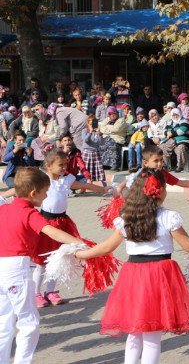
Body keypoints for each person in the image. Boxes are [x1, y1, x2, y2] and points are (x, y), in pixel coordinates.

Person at [74, 169, 189, 364]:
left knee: (135, 332)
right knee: (152, 335)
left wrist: (79, 254)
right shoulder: (169, 217)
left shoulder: (126, 218)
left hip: (133, 275)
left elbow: (106, 247)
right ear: (160, 191)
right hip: (159, 275)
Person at [0, 167, 83, 364]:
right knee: (28, 323)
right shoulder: (29, 213)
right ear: (33, 193)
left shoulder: (4, 208)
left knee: (4, 322)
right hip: (16, 270)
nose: (47, 196)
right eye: (46, 192)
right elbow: (51, 232)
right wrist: (78, 243)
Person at [30, 150, 110, 307]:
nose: (64, 167)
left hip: (63, 223)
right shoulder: (43, 180)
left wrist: (104, 189)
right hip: (46, 224)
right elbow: (25, 191)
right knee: (41, 262)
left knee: (59, 257)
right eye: (60, 164)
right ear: (48, 166)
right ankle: (36, 293)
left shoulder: (66, 181)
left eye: (66, 164)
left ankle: (50, 292)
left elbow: (84, 185)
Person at [118, 145, 189, 195]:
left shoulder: (163, 173)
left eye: (161, 160)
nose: (160, 164)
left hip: (155, 210)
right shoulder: (141, 174)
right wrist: (119, 191)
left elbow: (181, 183)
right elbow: (124, 184)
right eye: (156, 161)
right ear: (145, 163)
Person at [159, 108, 189, 173]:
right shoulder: (170, 122)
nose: (175, 116)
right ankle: (165, 165)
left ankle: (180, 166)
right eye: (173, 115)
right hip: (171, 141)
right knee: (160, 147)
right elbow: (164, 131)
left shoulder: (184, 121)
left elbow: (182, 130)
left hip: (183, 140)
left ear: (179, 114)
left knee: (180, 148)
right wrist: (167, 133)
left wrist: (171, 133)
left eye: (176, 115)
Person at [99, 106, 128, 172]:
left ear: (116, 113)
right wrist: (110, 128)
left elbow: (116, 129)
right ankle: (104, 165)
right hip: (106, 138)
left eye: (113, 113)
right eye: (110, 114)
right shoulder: (107, 119)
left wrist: (106, 128)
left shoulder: (121, 120)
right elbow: (101, 128)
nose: (112, 115)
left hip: (117, 140)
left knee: (111, 144)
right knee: (100, 144)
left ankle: (114, 165)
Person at [82, 115, 107, 187]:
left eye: (93, 124)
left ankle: (105, 186)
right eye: (90, 124)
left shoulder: (96, 132)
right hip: (87, 152)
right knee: (86, 170)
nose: (92, 125)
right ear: (87, 124)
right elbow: (86, 140)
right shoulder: (84, 131)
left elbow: (101, 142)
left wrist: (99, 134)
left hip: (95, 152)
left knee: (100, 170)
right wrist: (90, 132)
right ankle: (84, 187)